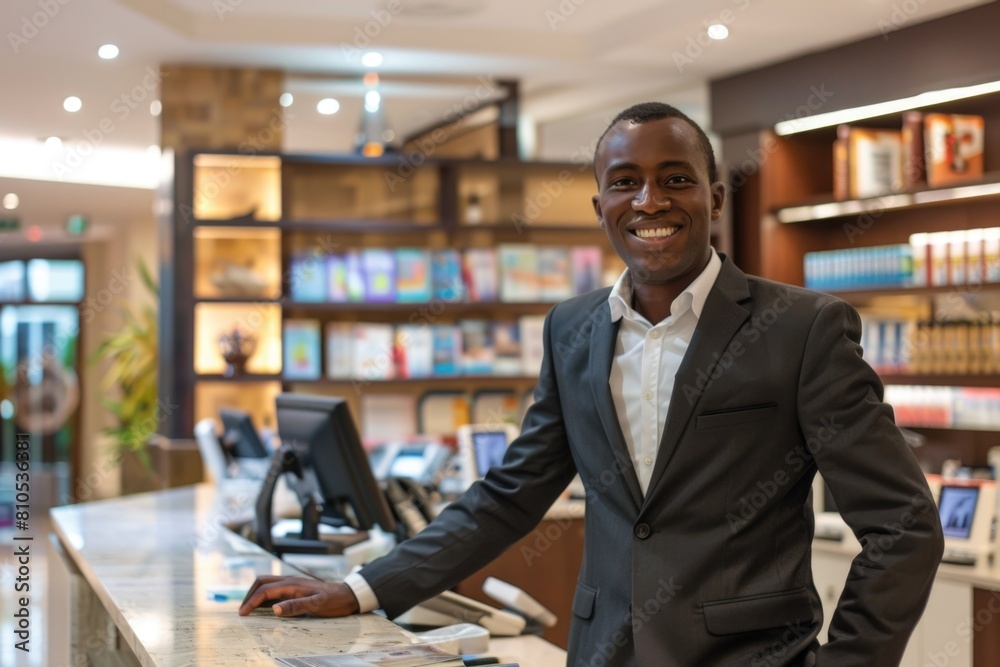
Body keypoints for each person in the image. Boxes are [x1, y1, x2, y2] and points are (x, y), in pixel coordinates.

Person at [240, 102, 944, 666]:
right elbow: (508, 496)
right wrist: (362, 587)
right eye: (624, 181)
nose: (650, 199)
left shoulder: (802, 327)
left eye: (676, 177)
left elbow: (903, 525)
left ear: (715, 195)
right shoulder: (572, 329)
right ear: (600, 202)